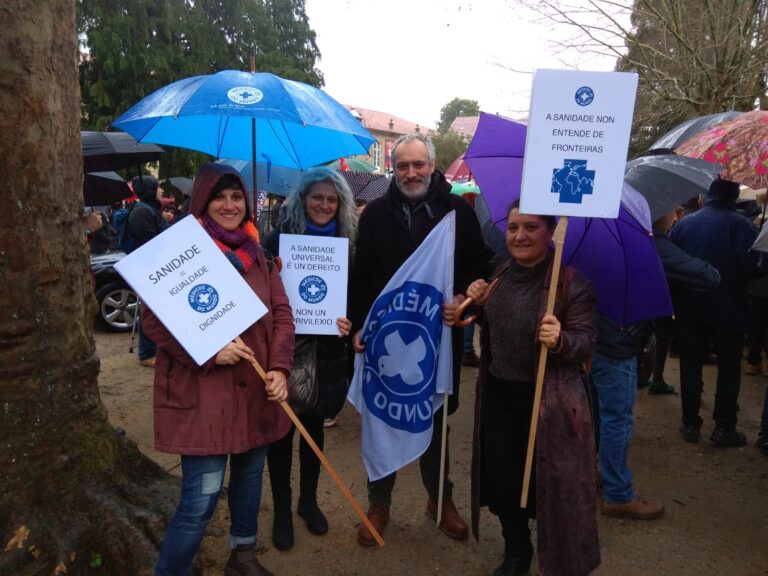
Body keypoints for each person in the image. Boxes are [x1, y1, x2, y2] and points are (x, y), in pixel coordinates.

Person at [142, 163, 294, 576]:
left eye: (236, 197)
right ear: (203, 202)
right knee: (201, 497)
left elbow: (282, 314)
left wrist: (280, 367)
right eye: (220, 197)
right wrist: (209, 350)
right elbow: (153, 321)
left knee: (249, 479)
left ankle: (242, 557)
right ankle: (170, 570)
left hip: (256, 390)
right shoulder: (179, 255)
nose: (229, 205)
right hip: (202, 395)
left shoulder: (260, 256)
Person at [350, 133, 494, 546]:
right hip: (386, 343)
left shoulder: (457, 214)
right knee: (382, 419)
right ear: (392, 170)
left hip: (435, 343)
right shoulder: (375, 215)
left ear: (432, 165)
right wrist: (359, 325)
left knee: (432, 420)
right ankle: (379, 503)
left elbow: (480, 267)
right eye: (402, 166)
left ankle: (440, 499)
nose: (411, 173)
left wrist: (466, 299)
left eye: (419, 165)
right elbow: (362, 278)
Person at [466, 203, 600, 576]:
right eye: (512, 228)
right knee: (504, 479)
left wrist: (560, 340)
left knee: (551, 486)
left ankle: (560, 556)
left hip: (549, 401)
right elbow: (495, 323)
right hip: (499, 394)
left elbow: (586, 342)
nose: (519, 236)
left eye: (530, 227)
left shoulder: (572, 282)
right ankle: (516, 549)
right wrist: (475, 301)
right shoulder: (501, 273)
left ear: (549, 232)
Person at [263, 167, 355, 551]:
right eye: (317, 197)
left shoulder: (348, 243)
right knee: (281, 433)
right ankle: (282, 509)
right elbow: (259, 293)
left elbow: (356, 293)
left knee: (314, 429)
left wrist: (351, 319)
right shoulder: (276, 240)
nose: (324, 204)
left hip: (328, 351)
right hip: (286, 349)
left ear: (341, 205)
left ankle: (308, 501)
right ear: (302, 199)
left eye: (331, 199)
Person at [670, 178, 760, 445]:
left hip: (690, 306)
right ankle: (724, 428)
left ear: (707, 196)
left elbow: (673, 261)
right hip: (730, 309)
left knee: (690, 365)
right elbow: (754, 267)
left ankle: (689, 424)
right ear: (734, 198)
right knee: (729, 368)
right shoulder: (742, 226)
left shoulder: (684, 223)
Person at [590, 314, 664, 522]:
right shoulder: (631, 280)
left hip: (592, 341)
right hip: (615, 346)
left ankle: (593, 472)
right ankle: (618, 494)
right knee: (616, 421)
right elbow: (708, 279)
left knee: (595, 415)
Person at [647, 208, 721, 394]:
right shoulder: (654, 241)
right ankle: (654, 378)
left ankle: (653, 377)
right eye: (673, 210)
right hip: (627, 334)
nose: (675, 217)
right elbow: (707, 276)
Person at [126, 175, 169, 368]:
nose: (162, 192)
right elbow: (150, 244)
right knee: (149, 310)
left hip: (155, 267)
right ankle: (146, 353)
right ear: (151, 190)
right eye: (158, 188)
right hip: (151, 269)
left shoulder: (149, 210)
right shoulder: (142, 211)